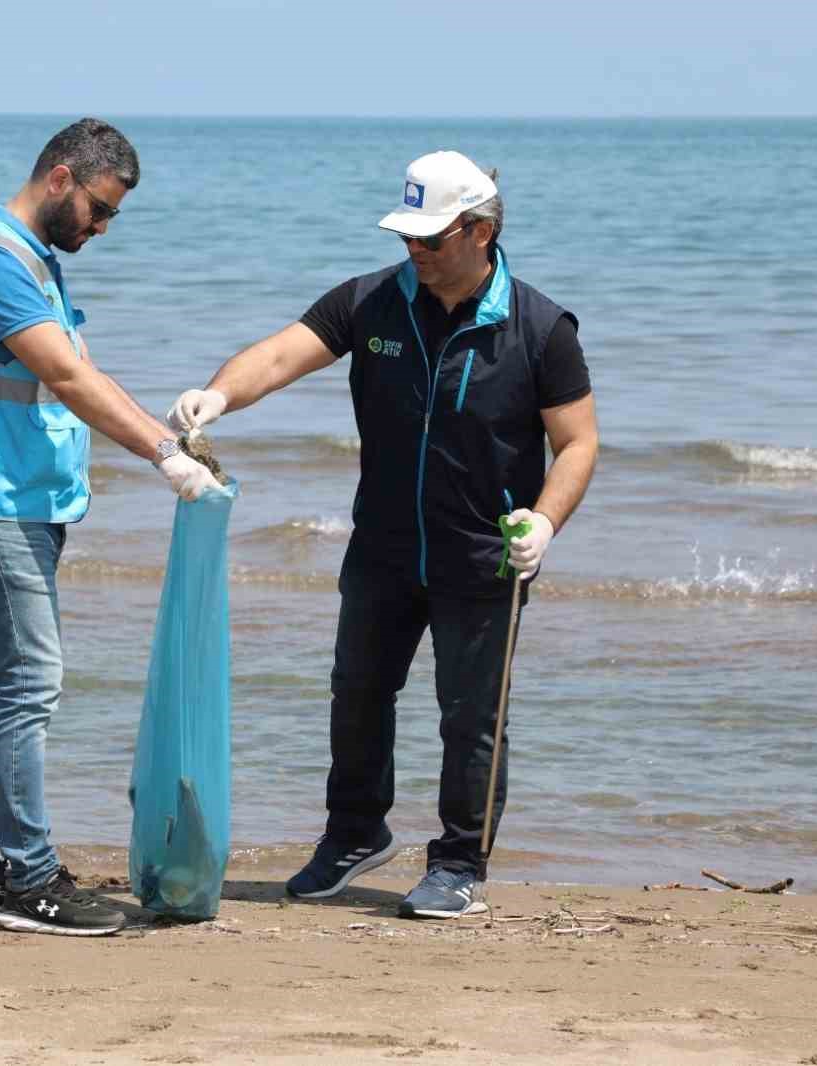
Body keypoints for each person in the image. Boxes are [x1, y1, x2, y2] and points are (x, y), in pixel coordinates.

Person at [167, 150, 597, 918]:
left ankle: (459, 864)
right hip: (384, 546)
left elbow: (578, 443)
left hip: (483, 556)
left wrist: (545, 519)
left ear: (480, 231)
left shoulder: (541, 328)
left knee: (472, 717)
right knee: (358, 693)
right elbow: (280, 353)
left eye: (430, 237)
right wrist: (219, 395)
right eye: (407, 236)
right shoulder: (370, 302)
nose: (415, 250)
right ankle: (355, 833)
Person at [0, 118, 221, 937]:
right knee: (31, 683)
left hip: (6, 503)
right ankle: (31, 879)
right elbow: (65, 376)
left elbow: (81, 371)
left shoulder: (31, 261)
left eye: (112, 215)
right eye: (99, 208)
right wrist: (161, 456)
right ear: (60, 179)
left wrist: (167, 435)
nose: (103, 227)